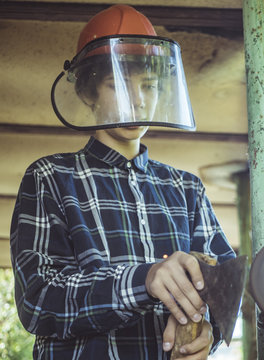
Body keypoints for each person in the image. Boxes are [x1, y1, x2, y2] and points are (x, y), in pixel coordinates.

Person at [10, 4, 235, 359]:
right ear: (88, 92)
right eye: (117, 84)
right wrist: (144, 280)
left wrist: (208, 329)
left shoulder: (187, 189)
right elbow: (39, 302)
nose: (137, 99)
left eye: (148, 85)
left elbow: (226, 290)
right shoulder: (51, 177)